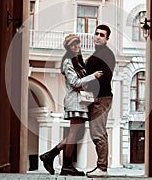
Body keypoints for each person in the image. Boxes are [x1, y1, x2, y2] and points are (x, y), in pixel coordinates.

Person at [39, 34, 103, 176]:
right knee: (74, 132)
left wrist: (85, 82)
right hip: (75, 101)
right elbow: (75, 82)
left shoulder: (79, 62)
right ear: (68, 47)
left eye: (77, 43)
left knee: (77, 133)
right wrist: (93, 76)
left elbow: (81, 83)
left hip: (81, 101)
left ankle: (50, 155)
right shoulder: (68, 62)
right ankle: (65, 165)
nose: (76, 46)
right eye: (72, 45)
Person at [85, 25, 116, 178]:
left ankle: (102, 168)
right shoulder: (97, 53)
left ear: (107, 38)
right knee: (98, 132)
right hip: (96, 97)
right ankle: (101, 167)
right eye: (96, 33)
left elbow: (106, 76)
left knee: (98, 132)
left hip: (101, 98)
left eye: (102, 35)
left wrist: (89, 83)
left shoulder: (106, 54)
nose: (98, 37)